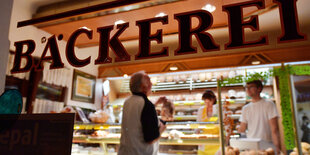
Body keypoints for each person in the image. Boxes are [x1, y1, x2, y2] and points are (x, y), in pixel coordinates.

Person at [118, 71, 166, 155]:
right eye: (149, 82)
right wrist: (162, 129)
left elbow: (139, 113)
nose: (151, 85)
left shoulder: (127, 101)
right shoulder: (147, 104)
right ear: (143, 86)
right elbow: (150, 139)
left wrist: (156, 104)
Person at [238, 80, 281, 154]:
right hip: (251, 146)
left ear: (259, 89)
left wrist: (277, 147)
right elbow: (242, 129)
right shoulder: (245, 108)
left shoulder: (269, 104)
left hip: (266, 145)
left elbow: (274, 129)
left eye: (251, 87)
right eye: (246, 87)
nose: (247, 89)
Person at [196, 89, 219, 155]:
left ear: (213, 100)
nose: (207, 105)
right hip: (204, 141)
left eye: (209, 102)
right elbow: (198, 125)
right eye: (205, 102)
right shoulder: (201, 110)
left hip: (217, 141)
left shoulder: (218, 109)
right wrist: (197, 137)